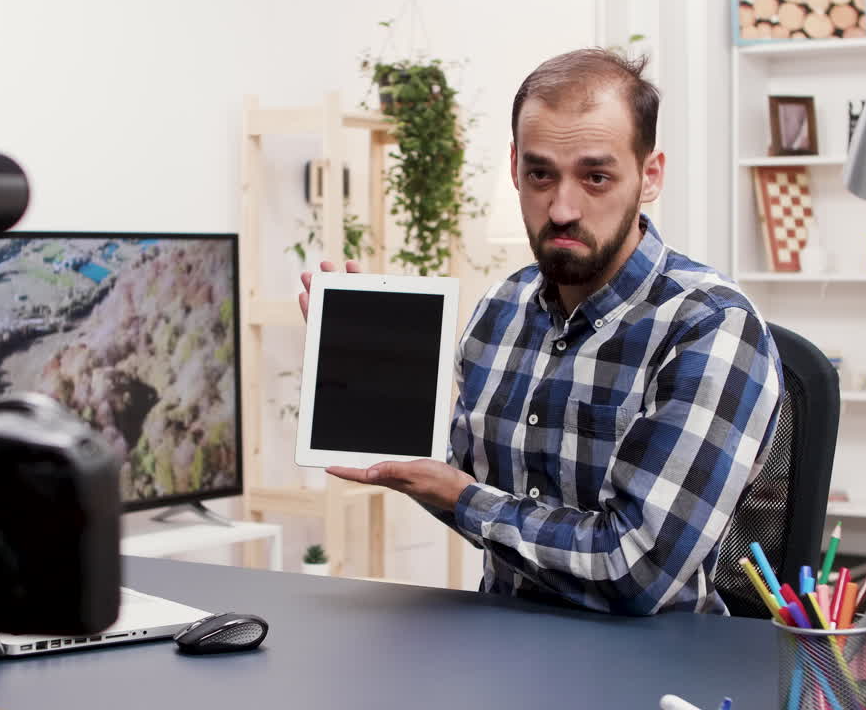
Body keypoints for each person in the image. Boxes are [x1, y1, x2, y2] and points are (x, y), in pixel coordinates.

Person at [299, 49, 782, 616]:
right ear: (514, 169)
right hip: (500, 649)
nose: (561, 209)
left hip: (650, 671)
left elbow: (635, 569)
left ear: (649, 177)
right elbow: (457, 482)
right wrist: (372, 371)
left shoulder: (710, 326)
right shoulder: (500, 310)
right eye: (540, 174)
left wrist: (464, 499)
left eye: (596, 176)